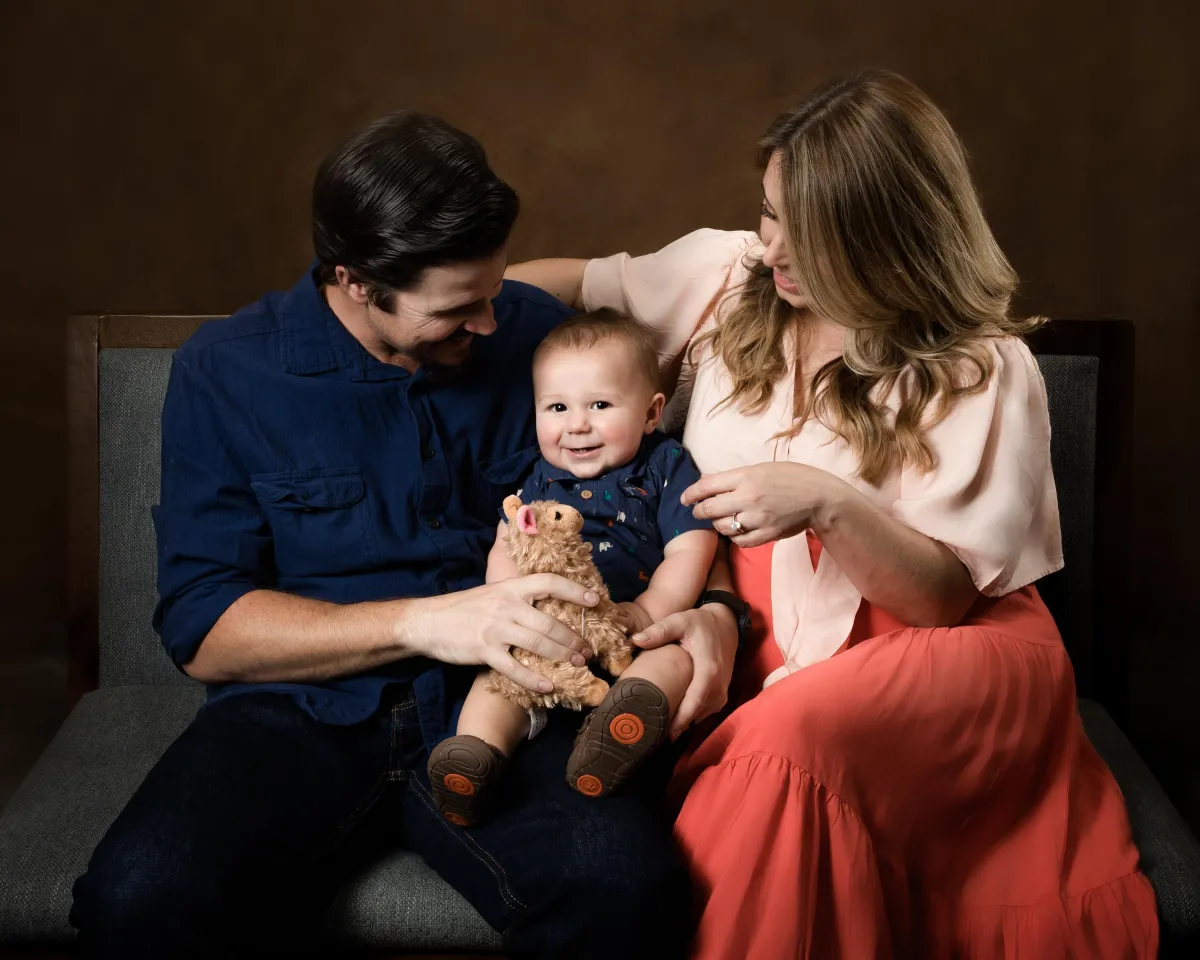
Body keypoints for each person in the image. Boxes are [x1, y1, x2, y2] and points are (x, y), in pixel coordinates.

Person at [507, 69, 1159, 958]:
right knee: (775, 747)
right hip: (760, 636)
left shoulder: (980, 364)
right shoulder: (726, 277)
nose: (775, 249)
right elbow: (556, 284)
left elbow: (940, 602)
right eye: (772, 211)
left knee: (785, 742)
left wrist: (827, 502)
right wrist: (447, 318)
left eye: (812, 236)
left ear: (891, 235)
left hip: (944, 649)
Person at [68, 111, 740, 959]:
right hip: (301, 712)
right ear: (355, 280)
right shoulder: (227, 370)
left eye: (493, 293)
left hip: (521, 699)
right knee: (140, 897)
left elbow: (658, 494)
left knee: (623, 888)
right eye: (459, 310)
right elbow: (204, 630)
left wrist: (714, 608)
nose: (492, 324)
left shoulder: (539, 339)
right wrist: (429, 620)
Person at [428, 309, 718, 826]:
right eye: (557, 407)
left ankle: (620, 728)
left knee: (675, 662)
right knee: (497, 681)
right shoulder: (535, 482)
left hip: (633, 632)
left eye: (600, 405)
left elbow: (690, 546)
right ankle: (475, 754)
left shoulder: (665, 466)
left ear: (652, 413)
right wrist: (508, 598)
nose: (576, 424)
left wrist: (648, 610)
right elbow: (506, 545)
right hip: (545, 637)